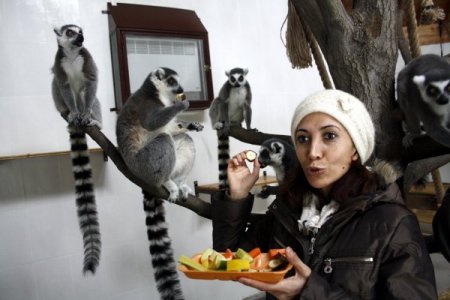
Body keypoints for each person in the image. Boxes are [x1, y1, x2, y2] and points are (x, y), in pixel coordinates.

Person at [211, 89, 437, 299]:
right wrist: (237, 195)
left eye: (329, 136)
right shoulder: (287, 210)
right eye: (302, 138)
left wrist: (307, 292)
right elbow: (230, 260)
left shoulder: (393, 223)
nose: (313, 152)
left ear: (355, 150)